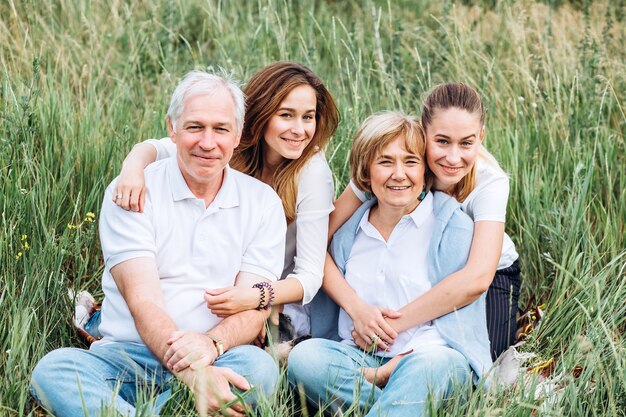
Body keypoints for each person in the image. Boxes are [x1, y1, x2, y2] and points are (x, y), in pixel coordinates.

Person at [30, 71, 286, 417]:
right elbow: (143, 301)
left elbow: (252, 311)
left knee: (259, 371)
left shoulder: (262, 202)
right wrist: (192, 373)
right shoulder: (133, 192)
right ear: (172, 128)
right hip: (127, 356)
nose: (208, 142)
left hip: (216, 352)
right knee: (53, 371)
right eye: (195, 127)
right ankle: (181, 406)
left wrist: (210, 346)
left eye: (221, 129)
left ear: (238, 135)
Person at [109, 62, 340, 340]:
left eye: (308, 117)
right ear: (263, 114)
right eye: (286, 115)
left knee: (259, 362)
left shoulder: (311, 171)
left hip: (276, 291)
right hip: (225, 285)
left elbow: (310, 276)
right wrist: (134, 164)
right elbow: (168, 145)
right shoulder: (225, 142)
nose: (299, 129)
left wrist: (254, 298)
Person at [288, 111, 492, 417]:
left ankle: (403, 399)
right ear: (366, 173)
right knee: (305, 359)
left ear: (425, 170)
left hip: (427, 360)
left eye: (411, 162)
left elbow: (458, 320)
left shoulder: (453, 229)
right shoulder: (348, 234)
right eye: (386, 162)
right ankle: (406, 406)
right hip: (358, 359)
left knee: (431, 368)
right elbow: (315, 261)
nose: (399, 174)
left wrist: (398, 365)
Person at [321, 83, 521, 362]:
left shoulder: (490, 182)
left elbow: (476, 279)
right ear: (423, 131)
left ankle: (399, 369)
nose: (453, 157)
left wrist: (389, 328)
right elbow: (319, 239)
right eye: (441, 141)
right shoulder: (394, 163)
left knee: (480, 363)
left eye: (466, 143)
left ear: (481, 137)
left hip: (489, 274)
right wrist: (357, 310)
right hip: (421, 265)